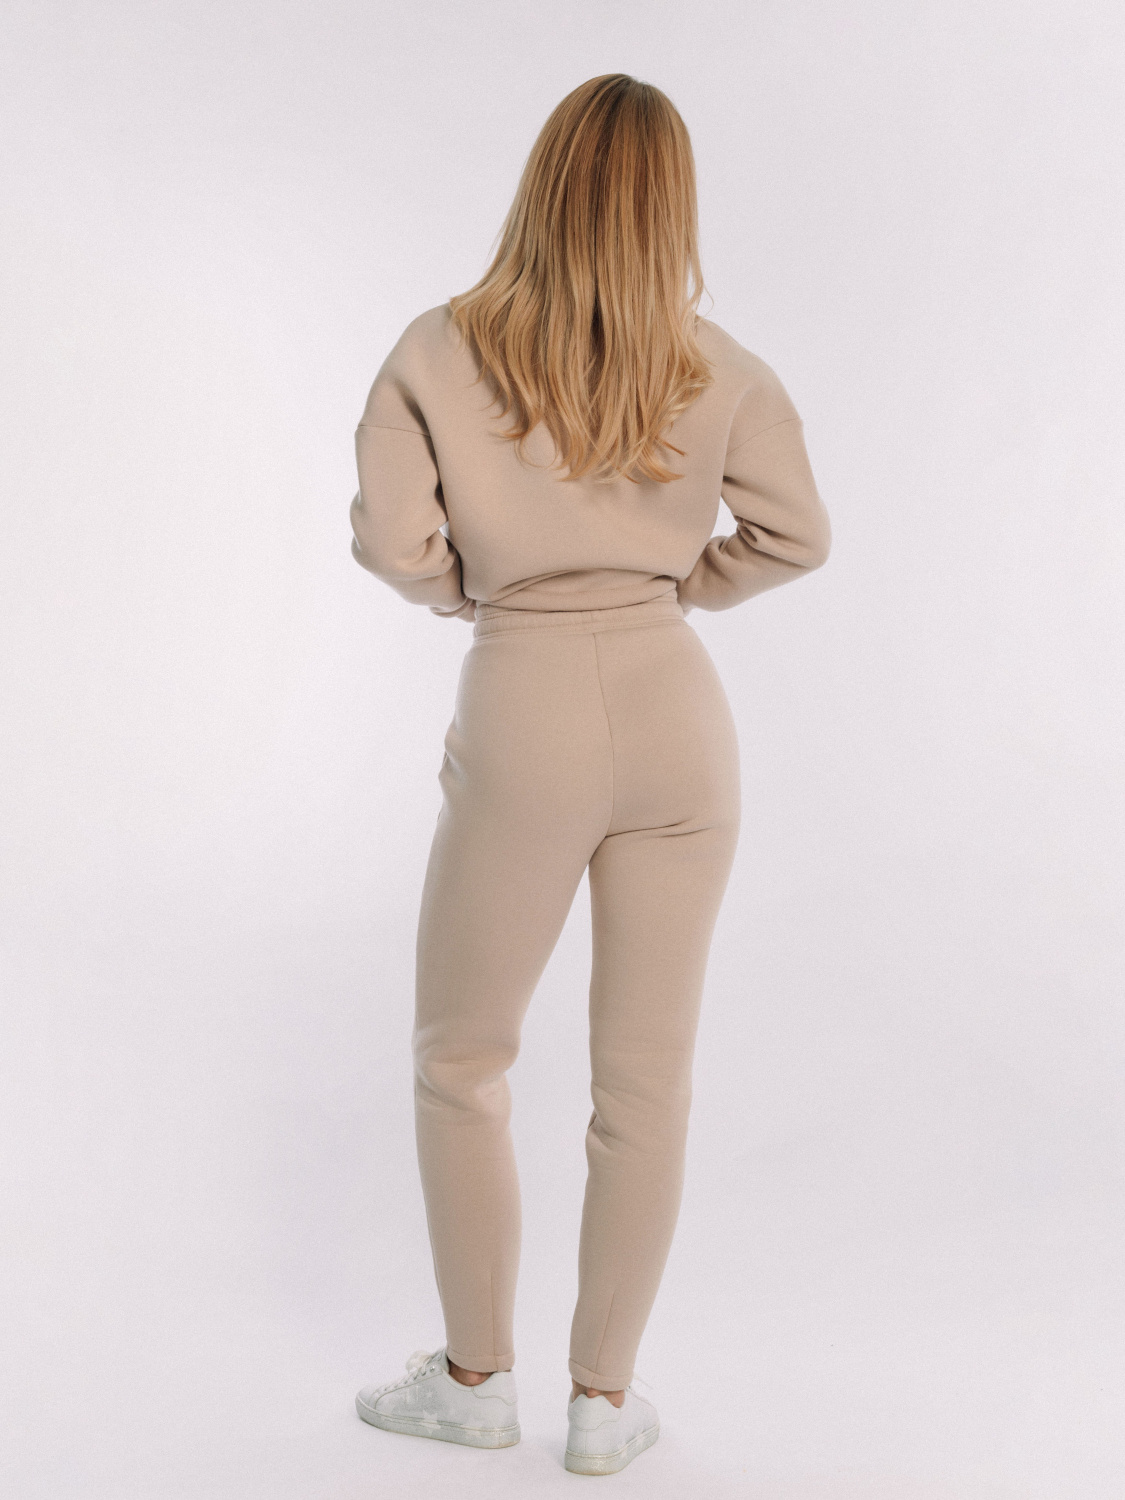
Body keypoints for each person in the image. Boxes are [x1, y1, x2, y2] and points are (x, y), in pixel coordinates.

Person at [347, 72, 831, 1477]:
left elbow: (391, 542)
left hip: (524, 704)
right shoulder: (720, 365)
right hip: (677, 711)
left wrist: (476, 593)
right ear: (673, 206)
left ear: (543, 182)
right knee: (646, 1080)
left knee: (462, 1059)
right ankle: (605, 1406)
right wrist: (674, 587)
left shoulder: (438, 348)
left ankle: (474, 1380)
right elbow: (796, 536)